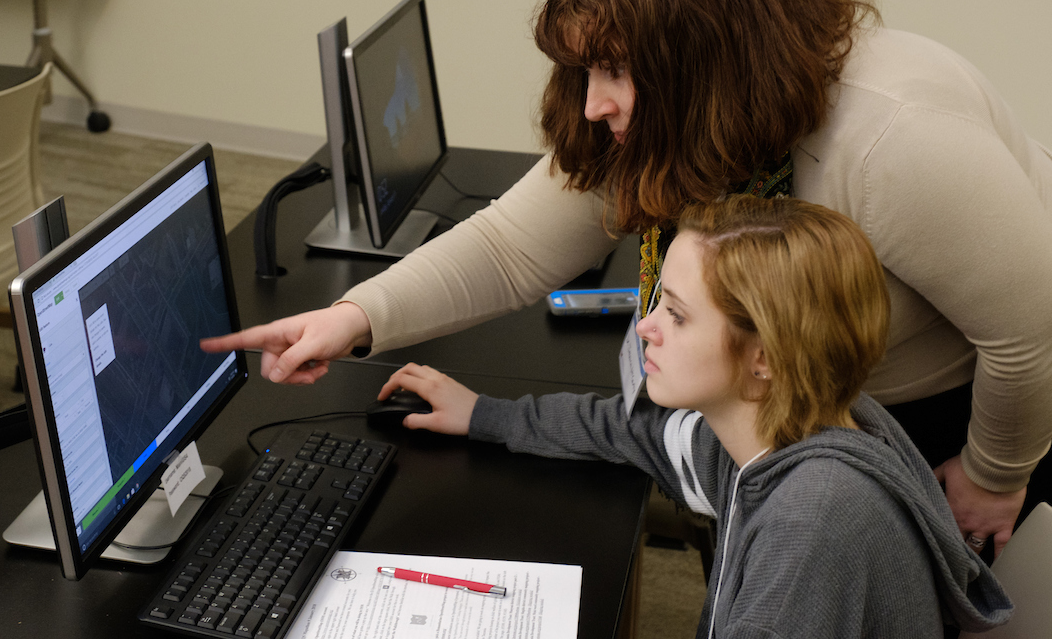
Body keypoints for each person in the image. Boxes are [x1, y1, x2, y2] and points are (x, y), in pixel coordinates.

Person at [203, 0, 1052, 556]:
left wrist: (993, 479)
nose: (592, 103)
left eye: (614, 71)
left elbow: (1031, 336)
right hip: (793, 415)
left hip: (951, 414)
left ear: (701, 65)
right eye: (582, 71)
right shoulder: (675, 120)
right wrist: (355, 319)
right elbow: (508, 248)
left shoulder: (892, 142)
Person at [378, 196, 1012, 637]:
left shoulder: (810, 529)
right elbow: (634, 430)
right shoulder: (801, 425)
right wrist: (486, 415)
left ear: (763, 355)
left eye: (676, 315)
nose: (646, 328)